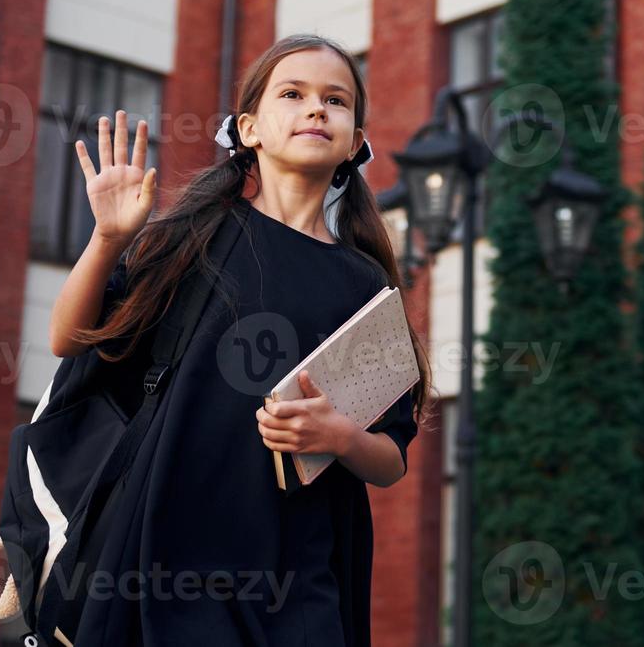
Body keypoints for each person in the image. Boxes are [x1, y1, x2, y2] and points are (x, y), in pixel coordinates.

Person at [47, 33, 433, 647]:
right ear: (249, 129)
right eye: (293, 93)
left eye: (336, 100)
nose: (316, 109)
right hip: (166, 551)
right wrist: (107, 239)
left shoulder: (364, 283)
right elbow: (68, 338)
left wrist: (338, 436)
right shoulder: (191, 236)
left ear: (356, 143)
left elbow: (390, 460)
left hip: (299, 570)